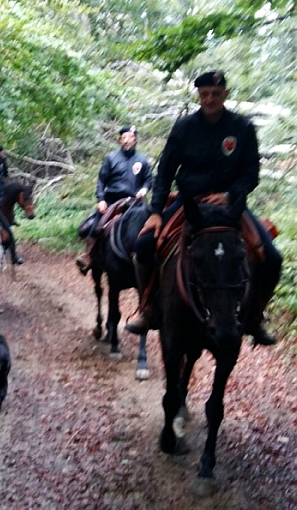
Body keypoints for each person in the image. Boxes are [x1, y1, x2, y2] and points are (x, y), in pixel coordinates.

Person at [125, 71, 282, 345]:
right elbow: (165, 172)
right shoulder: (184, 127)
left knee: (271, 256)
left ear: (226, 95)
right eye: (205, 94)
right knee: (144, 246)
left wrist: (230, 195)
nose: (210, 99)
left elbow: (251, 174)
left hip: (229, 207)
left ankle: (255, 316)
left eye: (216, 94)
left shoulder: (242, 128)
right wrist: (155, 212)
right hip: (190, 203)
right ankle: (148, 307)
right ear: (199, 96)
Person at [76, 125, 153, 274]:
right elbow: (101, 181)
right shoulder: (111, 158)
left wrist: (143, 190)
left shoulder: (142, 160)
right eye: (123, 138)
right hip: (112, 200)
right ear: (120, 140)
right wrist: (101, 199)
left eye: (129, 137)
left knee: (150, 223)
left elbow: (148, 180)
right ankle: (88, 255)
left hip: (134, 202)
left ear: (135, 140)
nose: (126, 141)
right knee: (99, 223)